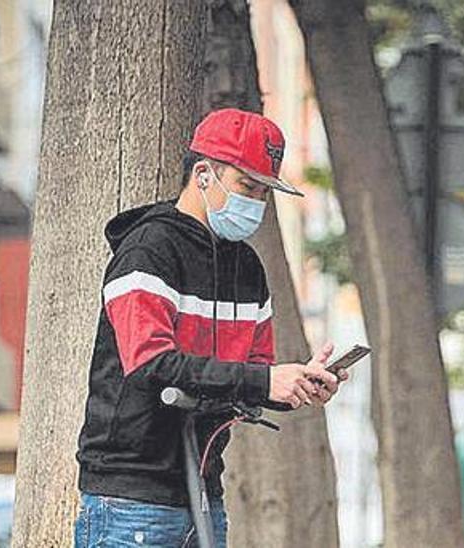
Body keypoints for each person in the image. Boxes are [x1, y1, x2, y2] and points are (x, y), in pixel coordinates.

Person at [74, 108, 347, 548]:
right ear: (203, 174)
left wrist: (295, 384)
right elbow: (150, 364)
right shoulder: (148, 251)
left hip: (203, 493)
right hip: (130, 498)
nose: (255, 202)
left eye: (263, 191)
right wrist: (263, 379)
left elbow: (253, 373)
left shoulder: (248, 269)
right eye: (246, 186)